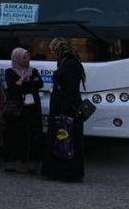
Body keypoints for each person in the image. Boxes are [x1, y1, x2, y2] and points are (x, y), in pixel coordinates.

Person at [42, 37, 86, 182]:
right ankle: (61, 171)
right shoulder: (67, 61)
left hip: (66, 109)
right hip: (64, 107)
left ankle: (67, 172)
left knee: (66, 140)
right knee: (63, 140)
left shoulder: (70, 64)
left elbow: (69, 89)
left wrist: (63, 107)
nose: (52, 53)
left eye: (53, 50)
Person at [2, 47, 43, 173]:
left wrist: (24, 82)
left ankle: (32, 163)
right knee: (15, 135)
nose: (27, 60)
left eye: (28, 57)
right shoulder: (10, 72)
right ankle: (14, 162)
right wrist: (29, 82)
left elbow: (39, 83)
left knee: (33, 135)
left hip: (32, 108)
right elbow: (14, 88)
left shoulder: (33, 70)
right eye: (24, 57)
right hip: (17, 108)